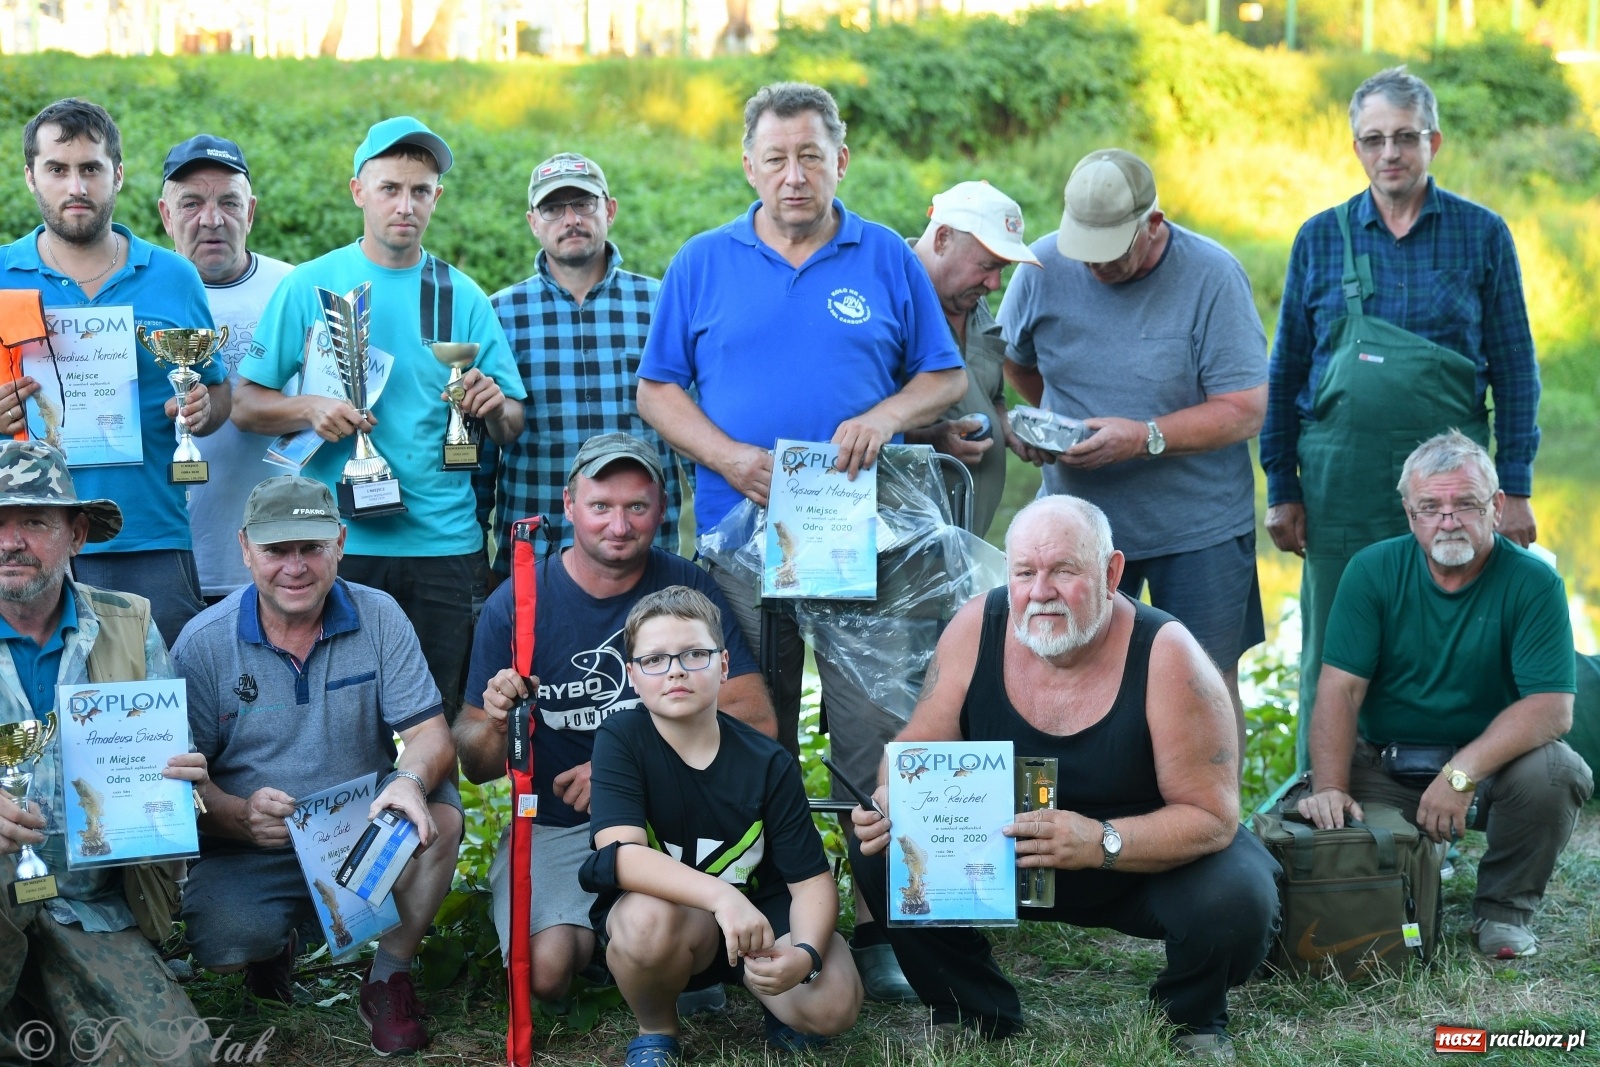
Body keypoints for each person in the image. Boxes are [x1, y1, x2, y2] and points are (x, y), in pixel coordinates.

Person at [636, 82, 965, 1000]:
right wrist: (729, 456)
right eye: (775, 157)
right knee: (739, 726)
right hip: (741, 544)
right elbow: (657, 392)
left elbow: (940, 375)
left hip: (869, 545)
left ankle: (882, 929)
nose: (794, 174)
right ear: (749, 166)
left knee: (874, 732)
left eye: (811, 155)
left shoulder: (888, 260)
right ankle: (745, 922)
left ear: (841, 161)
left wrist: (884, 415)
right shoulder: (702, 262)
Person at [850, 496, 1280, 1060]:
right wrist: (894, 794)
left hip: (1138, 865)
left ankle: (1189, 1016)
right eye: (1025, 572)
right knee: (882, 851)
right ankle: (972, 1009)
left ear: (1111, 573)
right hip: (999, 856)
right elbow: (918, 742)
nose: (1040, 591)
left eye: (1064, 571)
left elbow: (1212, 817)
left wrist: (1098, 840)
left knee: (1237, 897)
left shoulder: (1168, 653)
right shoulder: (978, 623)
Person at [1262, 67, 1542, 767]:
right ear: (1356, 148)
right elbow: (1286, 369)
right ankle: (1322, 802)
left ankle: (1455, 793)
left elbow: (1514, 368)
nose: (1391, 152)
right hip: (1339, 482)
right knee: (1334, 643)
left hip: (1455, 487)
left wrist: (1518, 485)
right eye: (1375, 138)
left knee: (1451, 637)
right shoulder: (1319, 238)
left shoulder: (1482, 235)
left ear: (1434, 140)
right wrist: (1281, 485)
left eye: (1406, 136)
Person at [453, 432, 774, 1011]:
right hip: (559, 823)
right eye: (601, 506)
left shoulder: (687, 587)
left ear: (662, 509)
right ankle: (615, 945)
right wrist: (498, 721)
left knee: (680, 949)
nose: (619, 526)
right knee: (543, 976)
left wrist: (624, 768)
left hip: (669, 814)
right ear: (570, 504)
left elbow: (755, 717)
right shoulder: (519, 600)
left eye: (637, 507)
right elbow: (475, 766)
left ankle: (656, 951)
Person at [232, 116, 526, 722]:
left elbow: (513, 423)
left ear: (436, 198)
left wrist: (493, 405)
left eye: (420, 191)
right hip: (337, 545)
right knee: (338, 724)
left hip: (445, 545)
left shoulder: (461, 294)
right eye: (390, 188)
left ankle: (434, 819)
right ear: (358, 191)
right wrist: (309, 408)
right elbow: (245, 405)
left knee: (438, 720)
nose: (406, 205)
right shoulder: (312, 285)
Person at [172, 476, 463, 1056]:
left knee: (441, 815)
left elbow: (432, 736)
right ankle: (272, 948)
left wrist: (408, 779)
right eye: (277, 550)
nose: (295, 566)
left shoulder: (379, 615)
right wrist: (238, 815)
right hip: (253, 844)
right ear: (246, 549)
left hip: (359, 830)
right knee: (224, 948)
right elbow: (186, 782)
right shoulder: (202, 643)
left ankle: (388, 976)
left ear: (340, 543)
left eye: (311, 547)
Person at [998, 149, 1268, 743]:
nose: (1094, 268)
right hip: (1080, 527)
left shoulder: (1212, 277)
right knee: (1069, 670)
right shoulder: (1042, 264)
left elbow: (1246, 407)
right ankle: (1083, 818)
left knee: (1203, 682)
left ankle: (1212, 825)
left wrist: (1146, 437)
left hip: (1197, 528)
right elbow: (1017, 364)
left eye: (1110, 252)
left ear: (1153, 223)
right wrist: (1050, 429)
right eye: (1084, 251)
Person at [1296, 431, 1591, 960]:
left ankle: (1502, 910)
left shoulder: (1534, 582)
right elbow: (1340, 690)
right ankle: (1417, 866)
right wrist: (1332, 785)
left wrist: (1461, 774)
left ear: (1497, 507)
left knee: (1559, 773)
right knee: (1314, 824)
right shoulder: (1371, 570)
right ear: (1409, 513)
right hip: (1386, 764)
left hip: (1493, 769)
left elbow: (1553, 706)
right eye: (1430, 506)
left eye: (1466, 505)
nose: (1448, 520)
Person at [584, 585, 862, 1066]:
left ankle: (775, 1000)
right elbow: (620, 855)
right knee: (642, 920)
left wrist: (806, 956)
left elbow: (811, 882)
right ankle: (657, 1030)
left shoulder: (767, 761)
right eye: (654, 660)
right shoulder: (622, 739)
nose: (675, 670)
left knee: (834, 1003)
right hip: (680, 920)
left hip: (759, 927)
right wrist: (722, 898)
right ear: (632, 676)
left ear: (724, 665)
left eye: (694, 654)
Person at [0, 440, 212, 1066]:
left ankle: (39, 1016)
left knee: (179, 1058)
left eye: (34, 522)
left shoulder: (128, 622)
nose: (11, 540)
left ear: (77, 534)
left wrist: (179, 785)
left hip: (87, 902)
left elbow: (164, 759)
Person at [0, 99, 229, 646]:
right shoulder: (2, 273)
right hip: (23, 542)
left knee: (160, 716)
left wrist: (202, 407)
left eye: (91, 168)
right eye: (58, 169)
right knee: (28, 717)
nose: (75, 185)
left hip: (149, 536)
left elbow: (217, 391)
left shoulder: (174, 276)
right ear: (31, 176)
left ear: (117, 174)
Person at [486, 152, 681, 567]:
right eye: (553, 208)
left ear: (609, 210)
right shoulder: (499, 315)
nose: (570, 218)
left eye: (584, 204)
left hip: (646, 548)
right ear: (533, 222)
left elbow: (693, 425)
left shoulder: (662, 303)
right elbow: (483, 448)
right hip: (539, 545)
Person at [157, 134, 295, 603]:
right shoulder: (140, 295)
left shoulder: (293, 288)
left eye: (229, 203)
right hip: (168, 555)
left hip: (280, 561)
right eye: (191, 203)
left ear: (251, 212)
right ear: (165, 215)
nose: (212, 219)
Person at [906, 180, 1041, 538]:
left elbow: (989, 391)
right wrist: (931, 440)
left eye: (1002, 269)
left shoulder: (972, 300)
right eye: (986, 266)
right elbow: (847, 422)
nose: (995, 284)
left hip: (968, 544)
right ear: (942, 238)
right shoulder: (889, 296)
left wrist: (1006, 426)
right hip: (904, 550)